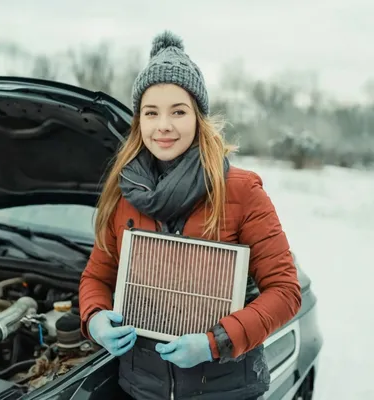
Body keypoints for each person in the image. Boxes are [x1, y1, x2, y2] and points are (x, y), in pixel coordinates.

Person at [79, 30, 301, 400]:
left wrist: (216, 342)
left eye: (178, 112)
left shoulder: (241, 191)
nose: (163, 125)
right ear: (139, 122)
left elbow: (285, 292)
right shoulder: (124, 194)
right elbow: (96, 277)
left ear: (199, 118)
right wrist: (95, 318)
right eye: (151, 113)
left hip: (224, 389)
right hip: (139, 390)